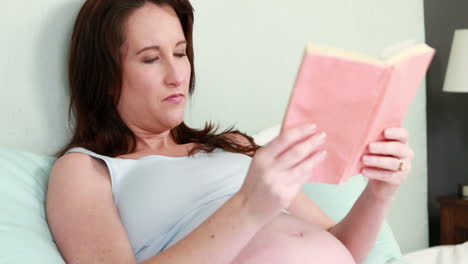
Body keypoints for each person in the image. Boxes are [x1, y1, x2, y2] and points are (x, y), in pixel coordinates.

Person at [45, 0, 415, 263]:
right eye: (151, 58)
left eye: (180, 52)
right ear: (105, 76)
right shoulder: (86, 170)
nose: (177, 75)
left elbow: (343, 247)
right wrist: (249, 208)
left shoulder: (235, 147)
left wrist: (380, 192)